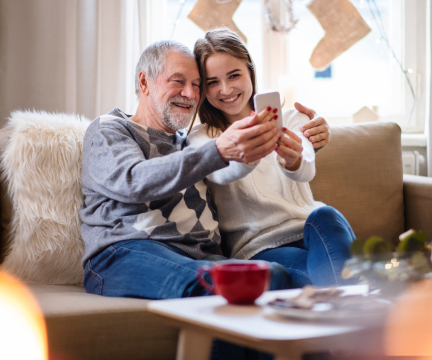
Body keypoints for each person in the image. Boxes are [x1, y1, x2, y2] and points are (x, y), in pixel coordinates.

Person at [79, 40, 329, 299]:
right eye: (178, 81)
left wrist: (305, 145)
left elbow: (240, 173)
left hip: (201, 257)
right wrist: (219, 150)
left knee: (273, 275)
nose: (189, 93)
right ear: (144, 82)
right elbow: (134, 180)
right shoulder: (111, 128)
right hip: (126, 252)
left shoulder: (190, 143)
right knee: (221, 284)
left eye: (197, 85)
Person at [188, 28, 356, 288]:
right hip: (260, 248)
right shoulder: (202, 138)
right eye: (212, 82)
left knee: (326, 214)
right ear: (203, 88)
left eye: (234, 75)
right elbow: (222, 171)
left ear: (250, 73)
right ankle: (360, 307)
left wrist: (293, 160)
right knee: (333, 278)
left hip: (312, 230)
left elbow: (306, 168)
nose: (226, 89)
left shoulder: (290, 118)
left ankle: (348, 308)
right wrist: (250, 148)